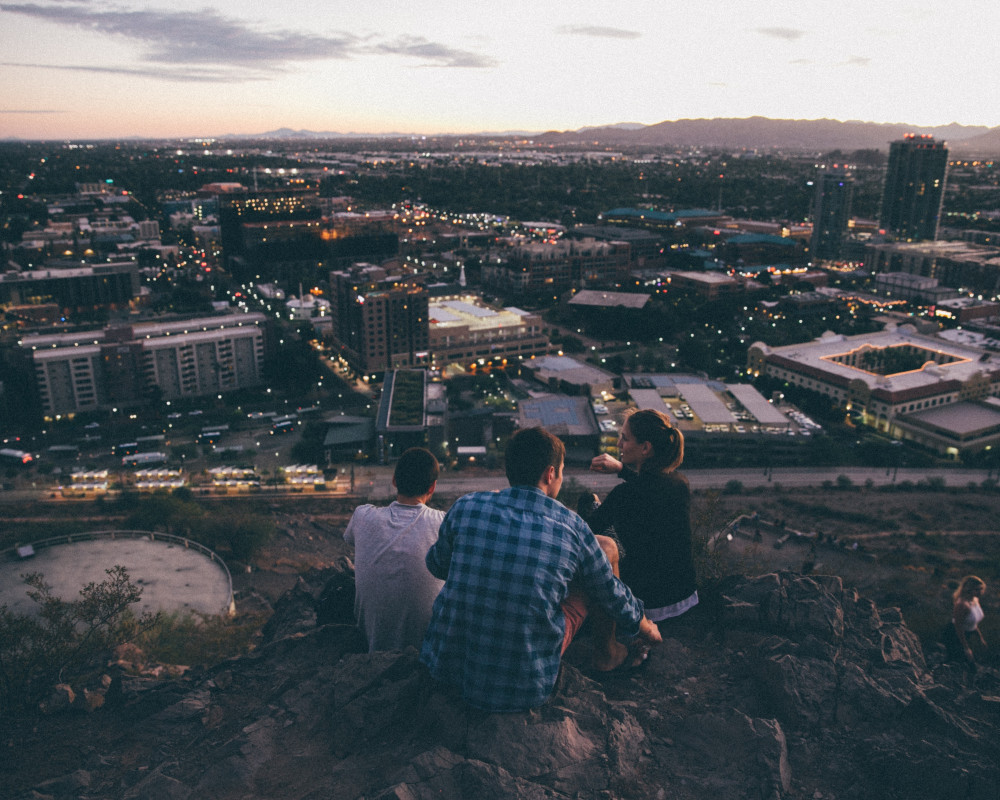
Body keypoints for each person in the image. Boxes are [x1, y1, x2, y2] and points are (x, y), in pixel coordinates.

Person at [420, 426, 661, 713]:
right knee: (597, 569)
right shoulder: (571, 527)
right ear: (550, 474)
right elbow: (610, 593)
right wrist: (645, 627)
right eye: (559, 471)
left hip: (444, 670)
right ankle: (608, 656)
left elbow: (436, 565)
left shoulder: (466, 506)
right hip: (523, 686)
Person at [585, 408, 699, 633]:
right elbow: (648, 488)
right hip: (684, 595)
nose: (618, 445)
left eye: (624, 439)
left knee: (588, 502)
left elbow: (586, 530)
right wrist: (622, 469)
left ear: (646, 448)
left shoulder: (624, 495)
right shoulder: (680, 484)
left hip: (647, 604)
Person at [343, 447, 445, 653]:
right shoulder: (443, 523)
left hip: (372, 647)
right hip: (425, 651)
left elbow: (350, 540)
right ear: (432, 487)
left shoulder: (362, 515)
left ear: (394, 481)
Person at [942, 575, 987, 668]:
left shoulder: (975, 600)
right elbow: (958, 627)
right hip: (954, 635)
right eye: (977, 589)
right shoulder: (962, 604)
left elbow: (973, 623)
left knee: (968, 662)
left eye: (981, 589)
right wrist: (966, 648)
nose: (980, 592)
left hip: (967, 635)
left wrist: (980, 638)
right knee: (960, 663)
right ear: (969, 589)